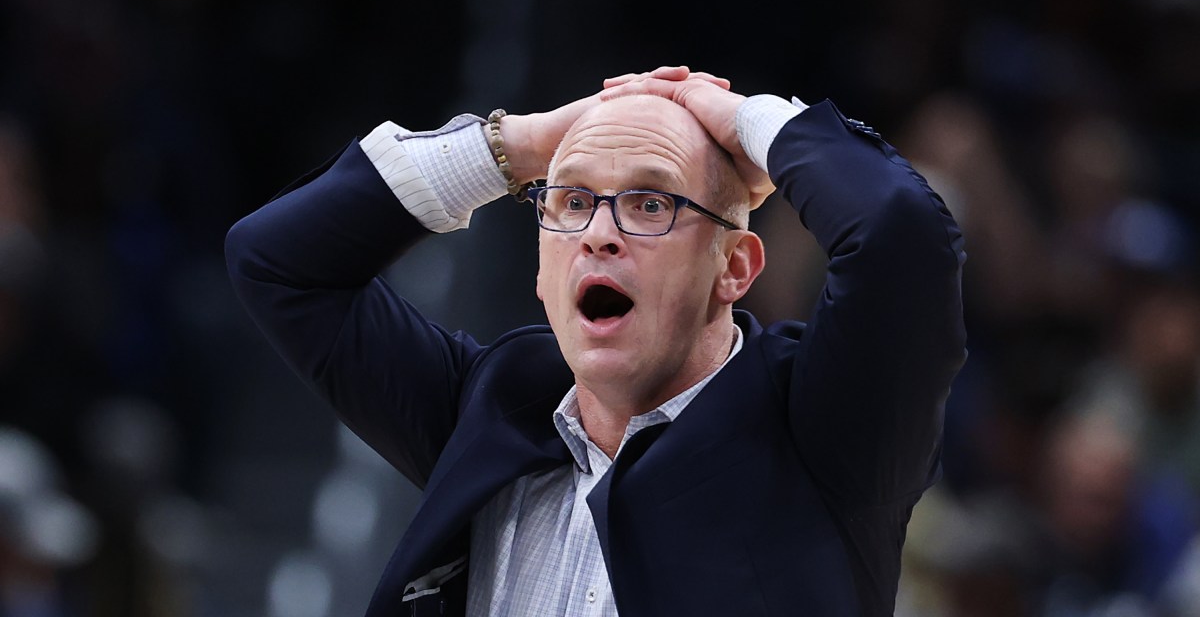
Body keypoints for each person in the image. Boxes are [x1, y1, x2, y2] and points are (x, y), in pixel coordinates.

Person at [225, 66, 967, 617]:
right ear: (543, 274)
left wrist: (745, 120)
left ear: (733, 268)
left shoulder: (826, 430)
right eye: (573, 201)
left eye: (651, 202)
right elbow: (280, 262)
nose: (600, 234)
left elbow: (901, 232)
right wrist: (521, 144)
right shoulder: (491, 407)